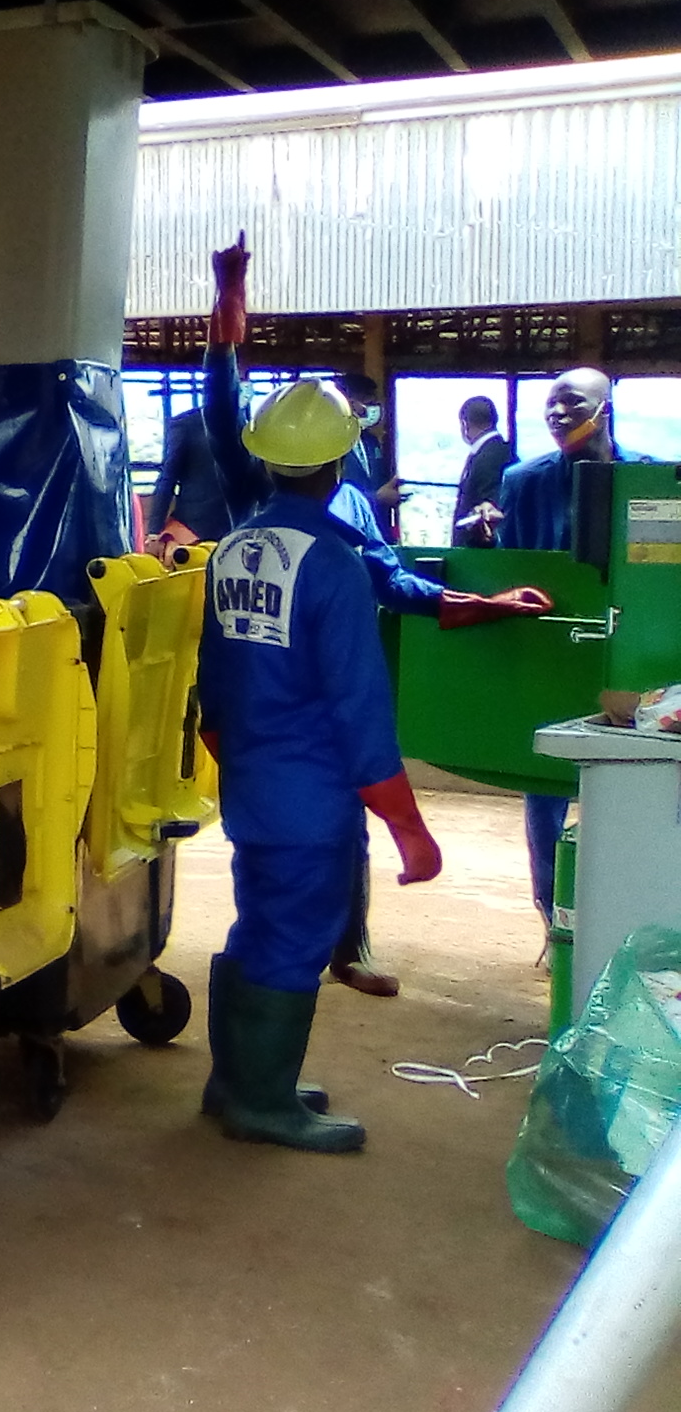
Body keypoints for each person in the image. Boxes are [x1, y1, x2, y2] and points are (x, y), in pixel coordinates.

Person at [197, 235, 550, 998]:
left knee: (316, 850)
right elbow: (221, 401)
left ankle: (346, 945)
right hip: (291, 731)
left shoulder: (337, 514)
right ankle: (275, 1019)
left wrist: (484, 604)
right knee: (289, 882)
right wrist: (230, 296)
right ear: (344, 445)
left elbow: (397, 582)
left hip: (278, 738)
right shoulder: (263, 503)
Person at [199, 378, 442, 1152]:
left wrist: (244, 762)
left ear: (265, 459)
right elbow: (360, 714)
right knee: (296, 939)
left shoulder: (233, 549)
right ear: (341, 461)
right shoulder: (334, 562)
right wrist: (410, 831)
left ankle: (235, 1079)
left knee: (257, 927)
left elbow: (214, 687)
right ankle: (263, 1103)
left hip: (253, 787)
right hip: (310, 798)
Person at [474, 368, 652, 942]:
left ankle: (625, 919)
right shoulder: (524, 481)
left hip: (629, 658)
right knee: (545, 788)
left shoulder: (650, 478)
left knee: (628, 784)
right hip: (553, 650)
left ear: (604, 409)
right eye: (550, 404)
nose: (558, 414)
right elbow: (514, 570)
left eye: (571, 402)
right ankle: (557, 922)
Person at [148, 405, 231, 553]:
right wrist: (154, 530)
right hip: (193, 528)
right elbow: (168, 477)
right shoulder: (186, 424)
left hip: (236, 526)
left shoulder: (246, 424)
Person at [335, 371, 400, 538]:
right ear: (349, 403)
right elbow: (331, 498)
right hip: (345, 534)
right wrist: (375, 498)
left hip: (377, 533)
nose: (375, 409)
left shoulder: (370, 441)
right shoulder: (330, 445)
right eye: (369, 403)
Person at [451, 396, 510, 546]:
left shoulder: (488, 456)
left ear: (465, 424)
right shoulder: (500, 450)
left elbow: (488, 507)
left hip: (480, 550)